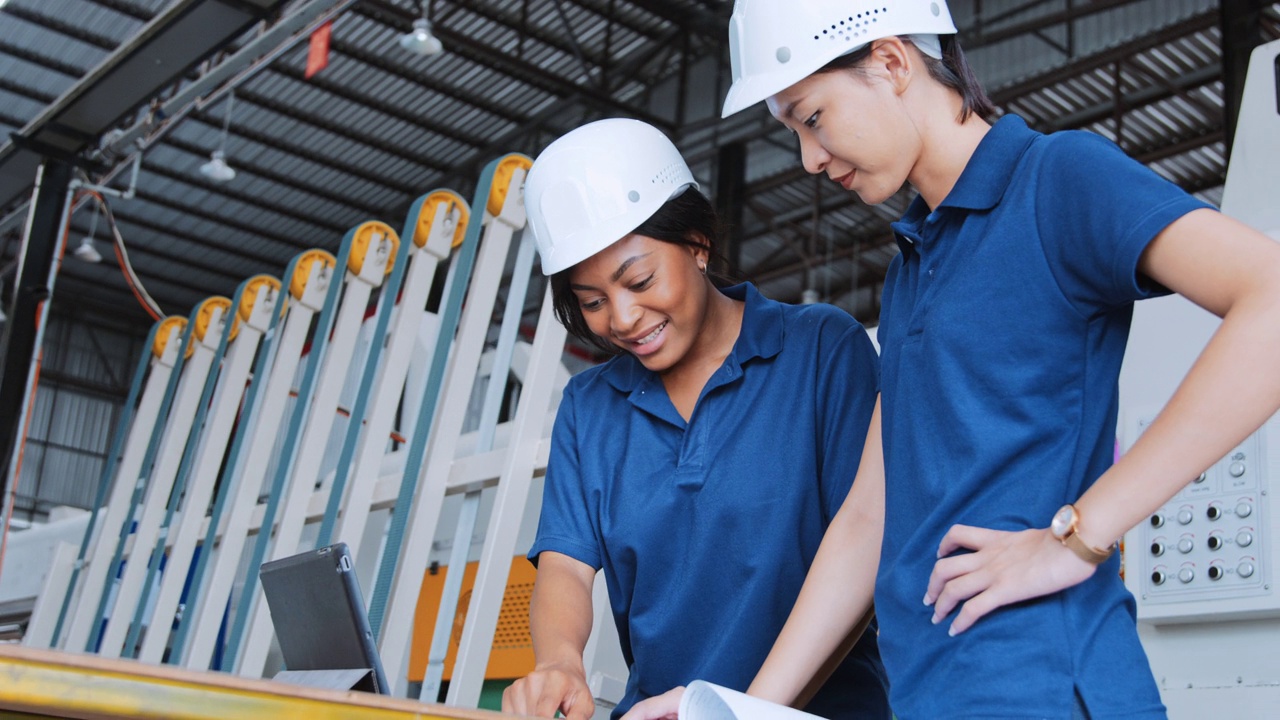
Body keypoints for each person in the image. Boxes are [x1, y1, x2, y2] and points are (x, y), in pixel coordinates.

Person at [623, 1, 1280, 719]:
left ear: (892, 61)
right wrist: (739, 710)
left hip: (1042, 688)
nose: (809, 160)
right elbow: (867, 518)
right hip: (930, 697)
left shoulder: (1056, 181)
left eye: (811, 119)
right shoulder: (913, 268)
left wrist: (1079, 536)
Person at [499, 118, 891, 720]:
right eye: (593, 301)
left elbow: (864, 548)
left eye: (640, 280)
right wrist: (559, 661)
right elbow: (566, 570)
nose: (624, 319)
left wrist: (742, 712)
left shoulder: (819, 351)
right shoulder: (589, 408)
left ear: (697, 244)